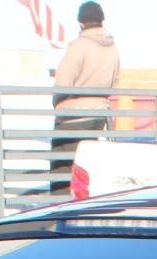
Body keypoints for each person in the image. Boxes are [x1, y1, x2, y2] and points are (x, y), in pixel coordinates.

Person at [51, 2, 121, 190]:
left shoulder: (79, 46)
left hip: (72, 116)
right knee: (87, 170)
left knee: (63, 171)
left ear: (81, 23)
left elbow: (63, 82)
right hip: (99, 116)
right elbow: (115, 82)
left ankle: (62, 213)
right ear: (101, 21)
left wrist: (56, 104)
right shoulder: (112, 48)